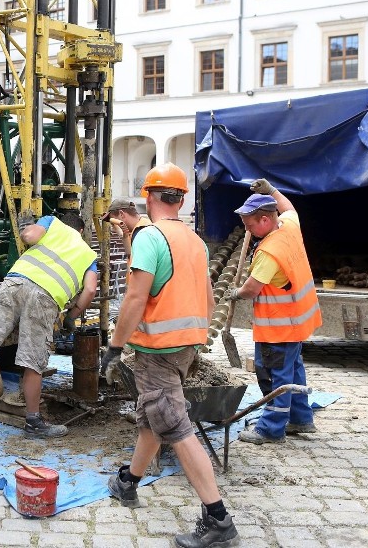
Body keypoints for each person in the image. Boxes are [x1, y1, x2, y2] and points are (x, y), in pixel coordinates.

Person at [101, 163, 239, 548]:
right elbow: (209, 300)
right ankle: (128, 482)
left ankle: (218, 520)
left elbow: (135, 296)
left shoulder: (149, 236)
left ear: (148, 196)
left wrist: (115, 347)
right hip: (185, 347)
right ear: (181, 199)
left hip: (157, 351)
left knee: (176, 426)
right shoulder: (193, 239)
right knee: (154, 414)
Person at [0, 211, 98, 439]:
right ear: (81, 231)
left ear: (64, 224)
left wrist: (25, 226)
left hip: (15, 283)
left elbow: (30, 237)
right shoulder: (88, 254)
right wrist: (72, 315)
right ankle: (33, 422)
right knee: (32, 362)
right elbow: (91, 290)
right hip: (44, 297)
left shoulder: (52, 223)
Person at [225, 179, 321, 444]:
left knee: (272, 375)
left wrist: (236, 292)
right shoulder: (289, 227)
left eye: (250, 224)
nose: (247, 228)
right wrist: (272, 192)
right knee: (292, 371)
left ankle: (270, 428)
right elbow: (289, 207)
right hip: (296, 323)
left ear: (265, 220)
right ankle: (300, 418)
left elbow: (252, 288)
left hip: (277, 329)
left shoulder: (269, 251)